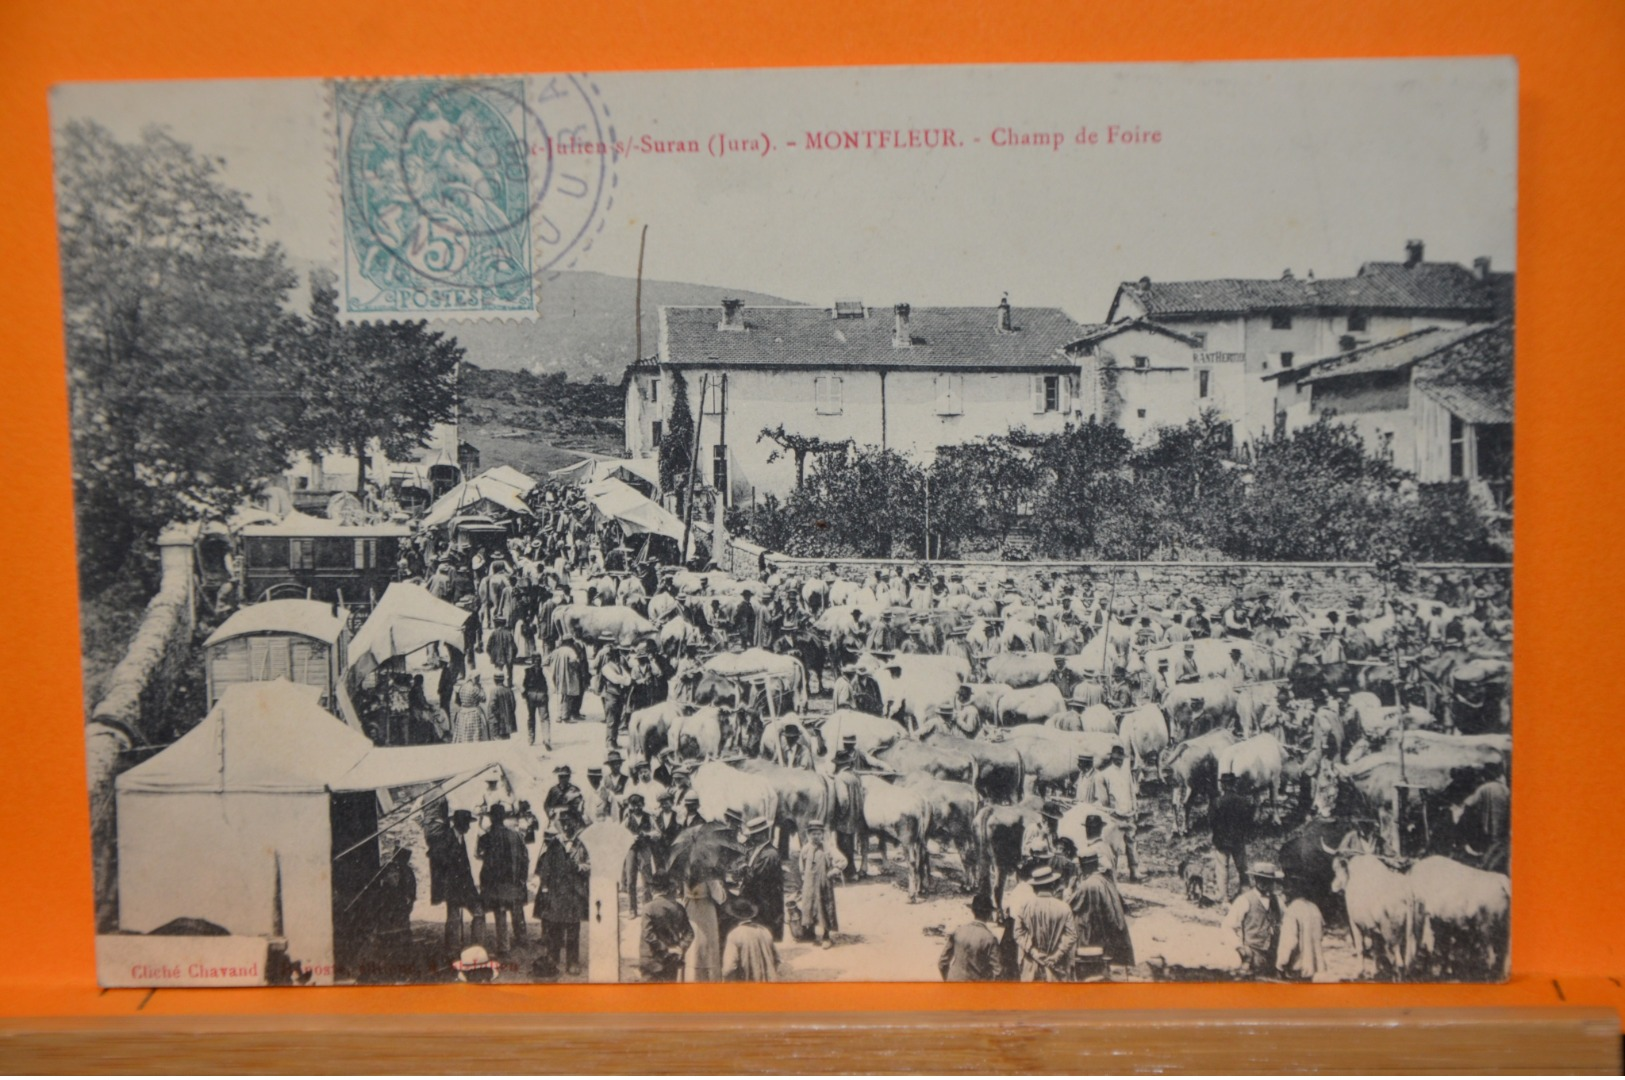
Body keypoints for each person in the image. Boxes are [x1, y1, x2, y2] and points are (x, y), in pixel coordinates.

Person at [533, 820, 589, 977]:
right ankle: (553, 958)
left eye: (571, 828)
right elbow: (545, 868)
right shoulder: (554, 846)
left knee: (573, 929)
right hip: (556, 893)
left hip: (574, 893)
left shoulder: (582, 845)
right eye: (565, 829)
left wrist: (580, 867)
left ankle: (572, 962)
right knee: (554, 927)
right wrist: (544, 887)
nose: (567, 831)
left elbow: (590, 865)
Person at [425, 805, 485, 950]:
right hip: (451, 886)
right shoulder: (445, 838)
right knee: (454, 917)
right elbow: (434, 855)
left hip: (464, 886)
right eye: (467, 824)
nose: (469, 828)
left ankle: (477, 947)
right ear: (461, 824)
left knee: (478, 913)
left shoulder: (460, 837)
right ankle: (452, 949)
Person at [476, 804, 530, 954]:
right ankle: (520, 939)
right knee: (514, 908)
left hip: (493, 882)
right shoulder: (515, 835)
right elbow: (525, 858)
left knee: (498, 911)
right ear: (503, 817)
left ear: (492, 818)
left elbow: (479, 855)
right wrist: (522, 878)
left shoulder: (485, 837)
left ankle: (500, 946)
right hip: (512, 881)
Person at [1067, 852, 1134, 969]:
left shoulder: (1087, 885)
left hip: (1097, 933)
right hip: (1111, 932)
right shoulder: (1106, 880)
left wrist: (1068, 888)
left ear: (1084, 867)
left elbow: (1070, 905)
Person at [1013, 866, 1078, 982]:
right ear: (1053, 885)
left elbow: (1018, 933)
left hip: (1031, 966)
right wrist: (1057, 955)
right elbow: (1072, 935)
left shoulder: (1024, 907)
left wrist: (1034, 952)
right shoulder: (1064, 907)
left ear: (1034, 888)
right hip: (1056, 967)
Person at [1222, 861, 1283, 976]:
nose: (1263, 883)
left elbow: (1287, 923)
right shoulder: (1244, 900)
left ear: (1273, 882)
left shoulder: (1278, 901)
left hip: (1274, 954)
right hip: (1253, 953)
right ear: (1255, 879)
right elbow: (1227, 926)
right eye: (1260, 879)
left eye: (1268, 880)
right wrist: (1239, 947)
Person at [735, 817, 786, 942]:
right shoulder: (755, 850)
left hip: (766, 901)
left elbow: (756, 877)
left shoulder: (770, 854)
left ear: (761, 835)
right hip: (758, 899)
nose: (750, 838)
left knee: (765, 933)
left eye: (753, 835)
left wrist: (744, 873)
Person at [1095, 742, 1139, 882]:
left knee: (1132, 844)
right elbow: (1104, 800)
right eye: (1116, 757)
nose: (1119, 760)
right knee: (1113, 847)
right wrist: (1110, 814)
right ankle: (1112, 875)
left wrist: (1135, 808)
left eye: (1121, 757)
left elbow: (1132, 791)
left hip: (1129, 814)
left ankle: (1134, 872)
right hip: (1115, 816)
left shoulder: (1127, 773)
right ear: (1111, 758)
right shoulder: (1104, 775)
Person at [938, 893, 1007, 982]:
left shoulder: (958, 931)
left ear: (973, 911)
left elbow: (942, 963)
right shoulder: (990, 939)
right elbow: (998, 972)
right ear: (989, 914)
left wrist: (948, 980)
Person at [639, 875, 694, 983]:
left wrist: (665, 948)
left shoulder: (648, 908)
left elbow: (648, 935)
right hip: (672, 960)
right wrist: (680, 947)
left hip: (651, 960)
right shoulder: (678, 907)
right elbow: (690, 933)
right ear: (669, 889)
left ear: (652, 889)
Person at [1210, 770, 1254, 902]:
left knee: (1222, 867)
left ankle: (1224, 896)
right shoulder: (1244, 801)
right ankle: (1245, 891)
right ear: (1234, 784)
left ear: (1223, 785)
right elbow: (1249, 821)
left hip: (1222, 840)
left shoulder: (1217, 802)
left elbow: (1211, 822)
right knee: (1242, 867)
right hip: (1238, 839)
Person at [1275, 875, 1326, 981]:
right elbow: (1321, 934)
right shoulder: (1314, 908)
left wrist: (1280, 963)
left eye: (1285, 889)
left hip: (1297, 967)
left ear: (1292, 891)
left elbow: (1289, 941)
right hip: (1313, 968)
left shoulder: (1293, 910)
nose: (1283, 893)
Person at [796, 822, 839, 949]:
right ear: (809, 835)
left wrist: (832, 872)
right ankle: (811, 934)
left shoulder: (828, 848)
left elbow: (842, 861)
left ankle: (826, 937)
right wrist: (804, 878)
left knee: (824, 908)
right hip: (809, 883)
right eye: (813, 834)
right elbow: (801, 865)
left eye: (819, 834)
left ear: (823, 835)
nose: (816, 836)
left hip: (823, 884)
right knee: (809, 907)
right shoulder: (805, 848)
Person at [720, 898, 780, 982]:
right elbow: (777, 959)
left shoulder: (734, 935)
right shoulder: (764, 931)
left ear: (734, 916)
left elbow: (729, 968)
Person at [622, 793, 660, 917]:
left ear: (642, 805)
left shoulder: (649, 817)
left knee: (647, 878)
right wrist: (631, 837)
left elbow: (657, 833)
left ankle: (647, 907)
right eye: (633, 805)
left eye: (639, 804)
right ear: (630, 806)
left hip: (644, 848)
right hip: (632, 849)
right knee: (631, 879)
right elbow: (620, 833)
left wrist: (648, 834)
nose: (636, 807)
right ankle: (632, 909)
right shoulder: (627, 818)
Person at [542, 635, 586, 725]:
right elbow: (574, 662)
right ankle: (565, 717)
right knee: (568, 696)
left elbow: (545, 662)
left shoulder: (556, 651)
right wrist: (577, 669)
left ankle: (559, 716)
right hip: (568, 676)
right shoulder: (570, 651)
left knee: (560, 696)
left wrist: (552, 669)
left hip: (557, 676)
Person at [599, 646, 634, 751]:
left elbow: (628, 678)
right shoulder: (606, 667)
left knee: (617, 719)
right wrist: (624, 680)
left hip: (618, 695)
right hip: (611, 696)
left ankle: (614, 741)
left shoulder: (619, 666)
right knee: (611, 720)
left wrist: (624, 680)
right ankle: (609, 742)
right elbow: (615, 679)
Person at [543, 765, 587, 834]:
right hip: (556, 821)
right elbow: (546, 805)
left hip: (571, 822)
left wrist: (570, 809)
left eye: (565, 776)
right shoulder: (553, 790)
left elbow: (579, 806)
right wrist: (551, 814)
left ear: (569, 777)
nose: (563, 779)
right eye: (560, 776)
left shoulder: (574, 790)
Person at [451, 673, 488, 743]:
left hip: (462, 713)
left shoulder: (462, 687)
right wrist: (481, 688)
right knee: (475, 734)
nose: (478, 680)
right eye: (477, 678)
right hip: (473, 713)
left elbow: (458, 701)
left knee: (463, 733)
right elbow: (484, 698)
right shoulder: (475, 688)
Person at [522, 659, 549, 748]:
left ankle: (531, 738)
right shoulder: (544, 671)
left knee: (531, 717)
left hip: (530, 696)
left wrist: (523, 693)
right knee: (544, 718)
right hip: (542, 695)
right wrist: (547, 695)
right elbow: (551, 684)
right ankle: (546, 738)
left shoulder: (526, 671)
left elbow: (517, 682)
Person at [487, 673, 517, 740]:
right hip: (507, 723)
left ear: (495, 680)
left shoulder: (494, 691)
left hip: (497, 722)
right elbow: (513, 705)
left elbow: (492, 706)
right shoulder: (509, 690)